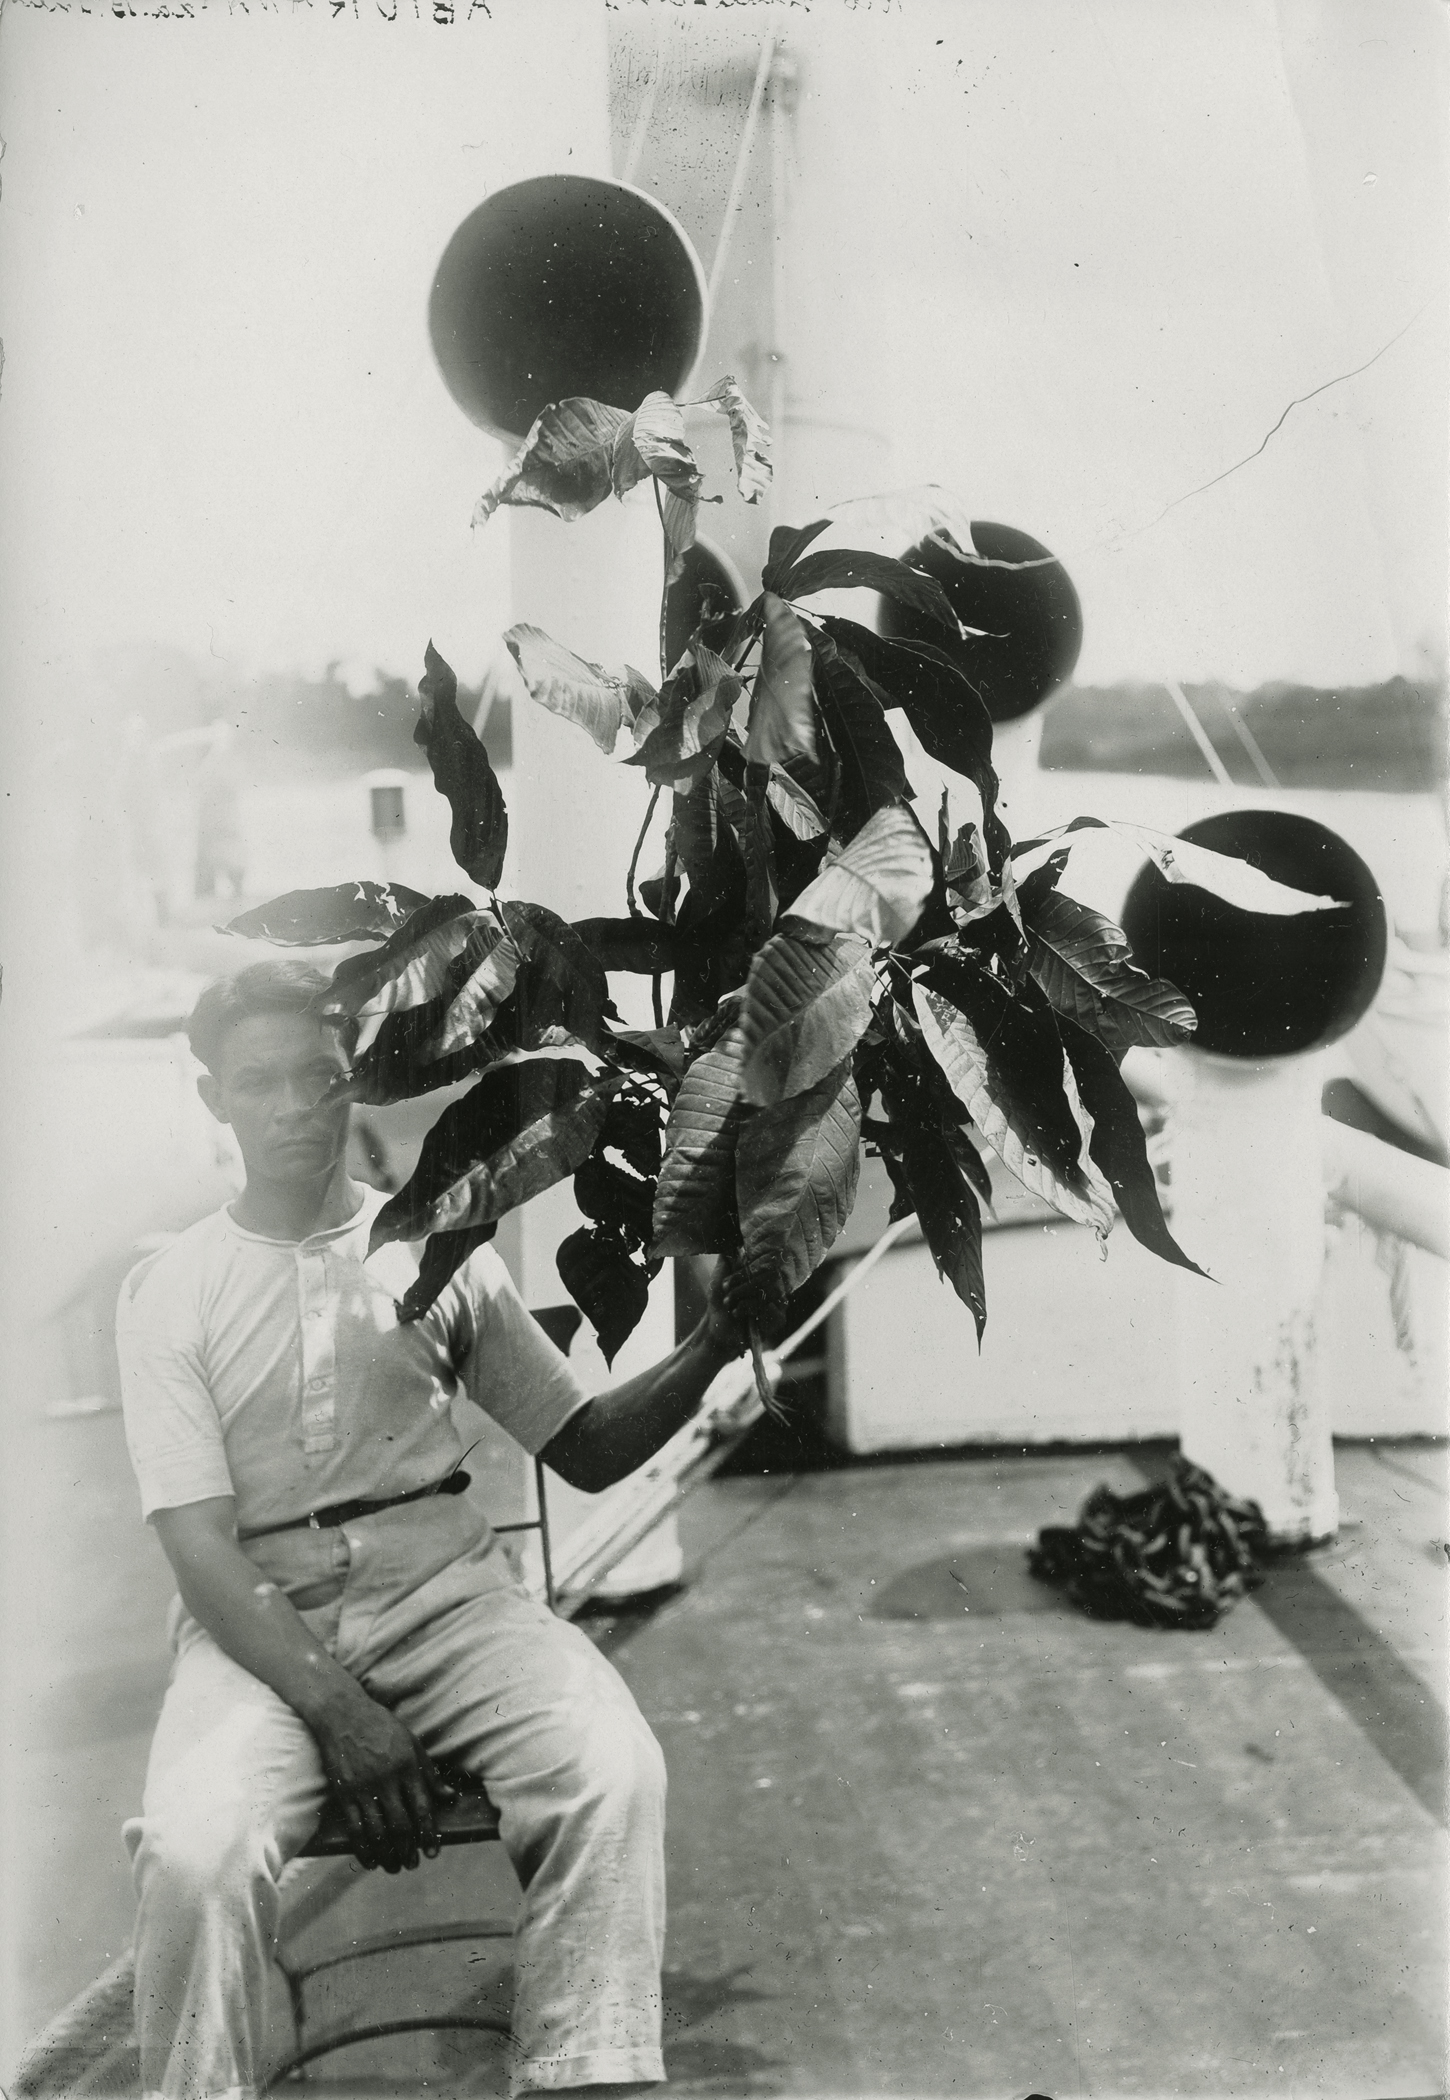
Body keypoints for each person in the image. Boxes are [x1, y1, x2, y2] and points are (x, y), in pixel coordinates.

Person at [116, 959, 755, 2100]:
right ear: (213, 1097)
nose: (290, 1109)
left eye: (318, 1079)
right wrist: (345, 1718)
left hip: (450, 1602)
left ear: (350, 1080)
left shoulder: (434, 1245)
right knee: (191, 1852)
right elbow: (199, 1545)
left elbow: (587, 1445)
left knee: (611, 1771)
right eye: (256, 1083)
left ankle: (582, 2079)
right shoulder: (169, 1289)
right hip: (257, 1639)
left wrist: (712, 1346)